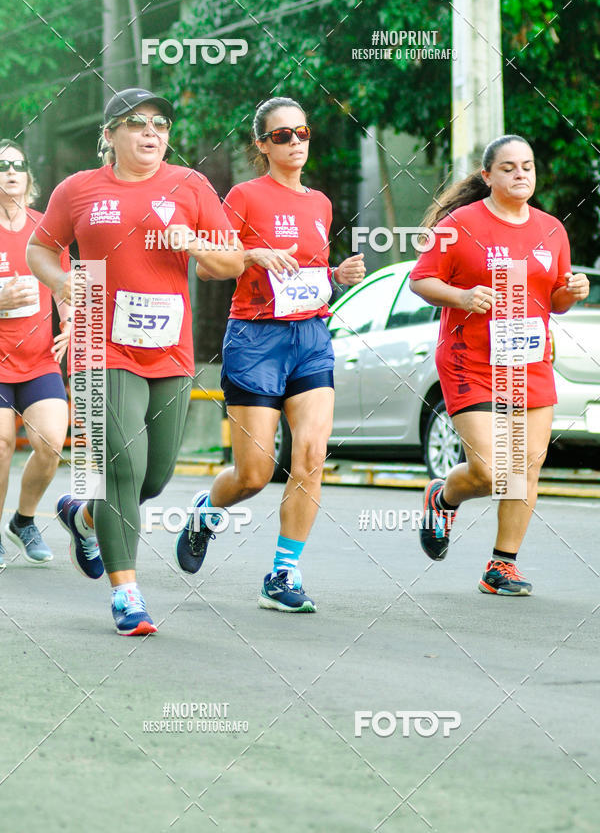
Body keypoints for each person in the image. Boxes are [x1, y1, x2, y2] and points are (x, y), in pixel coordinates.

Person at [27, 87, 244, 634]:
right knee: (121, 466)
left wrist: (194, 243)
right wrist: (65, 282)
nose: (151, 132)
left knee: (153, 475)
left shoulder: (190, 186)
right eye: (136, 123)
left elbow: (232, 259)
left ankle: (82, 512)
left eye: (160, 124)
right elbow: (39, 248)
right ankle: (127, 595)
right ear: (110, 135)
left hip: (169, 347)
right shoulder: (77, 190)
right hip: (100, 337)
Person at [174, 95, 365, 612]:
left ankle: (283, 574)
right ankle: (205, 511)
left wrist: (335, 276)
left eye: (302, 132)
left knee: (310, 455)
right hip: (255, 340)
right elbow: (210, 267)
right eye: (282, 135)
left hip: (310, 338)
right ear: (261, 144)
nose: (295, 142)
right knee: (254, 473)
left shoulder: (321, 203)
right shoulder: (243, 196)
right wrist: (251, 253)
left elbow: (302, 276)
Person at [409, 134, 589, 595]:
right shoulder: (459, 223)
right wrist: (463, 297)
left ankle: (501, 566)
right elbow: (421, 280)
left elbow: (555, 299)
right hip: (470, 359)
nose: (520, 174)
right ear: (487, 176)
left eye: (527, 166)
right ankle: (444, 496)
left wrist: (570, 294)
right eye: (508, 167)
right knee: (494, 470)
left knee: (527, 466)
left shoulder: (552, 228)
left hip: (528, 360)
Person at [0, 139, 71, 568]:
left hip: (39, 358)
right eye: (1, 165)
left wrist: (71, 323)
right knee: (2, 441)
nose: (10, 171)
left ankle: (24, 520)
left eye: (18, 164)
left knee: (50, 442)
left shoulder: (45, 227)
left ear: (29, 177)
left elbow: (65, 283)